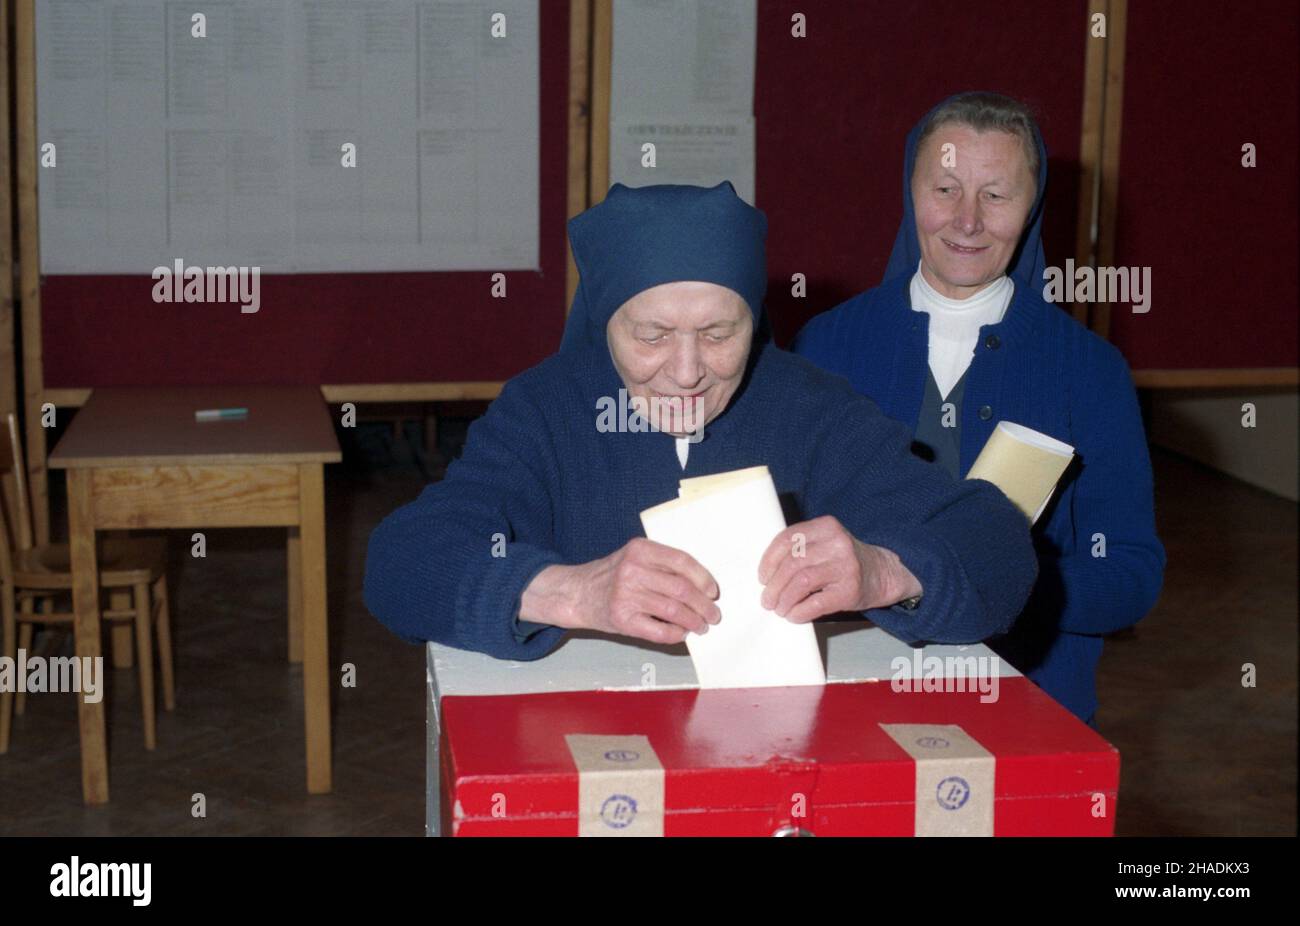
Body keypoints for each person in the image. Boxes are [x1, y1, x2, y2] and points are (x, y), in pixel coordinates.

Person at [364, 181, 1037, 660]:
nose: (687, 372)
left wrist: (887, 571)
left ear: (754, 319)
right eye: (651, 335)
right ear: (605, 324)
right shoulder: (546, 410)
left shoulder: (812, 411)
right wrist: (572, 593)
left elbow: (997, 545)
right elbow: (401, 563)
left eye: (719, 332)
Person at [793, 93, 1166, 725]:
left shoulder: (1090, 371)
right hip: (853, 693)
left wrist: (986, 583)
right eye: (945, 188)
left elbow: (1130, 575)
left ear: (1032, 206)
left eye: (996, 195)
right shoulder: (825, 345)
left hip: (1032, 700)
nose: (967, 221)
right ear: (910, 193)